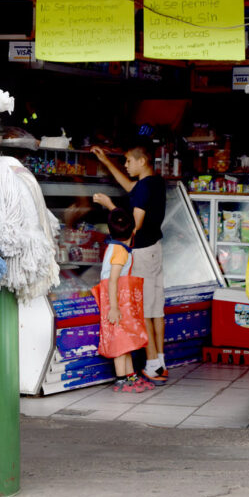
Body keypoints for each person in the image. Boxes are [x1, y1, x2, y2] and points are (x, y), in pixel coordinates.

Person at [91, 144, 168, 385]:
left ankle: (153, 364)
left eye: (128, 162)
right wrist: (106, 161)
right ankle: (160, 361)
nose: (126, 165)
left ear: (142, 161)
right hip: (155, 250)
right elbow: (129, 186)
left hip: (143, 252)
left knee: (143, 308)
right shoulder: (153, 183)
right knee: (156, 309)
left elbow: (133, 227)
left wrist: (110, 207)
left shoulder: (145, 187)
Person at [97, 208, 154, 393]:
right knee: (120, 342)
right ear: (134, 230)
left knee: (126, 339)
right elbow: (113, 280)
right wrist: (114, 308)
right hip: (114, 301)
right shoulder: (120, 251)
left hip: (118, 300)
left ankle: (131, 376)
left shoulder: (116, 247)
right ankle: (121, 381)